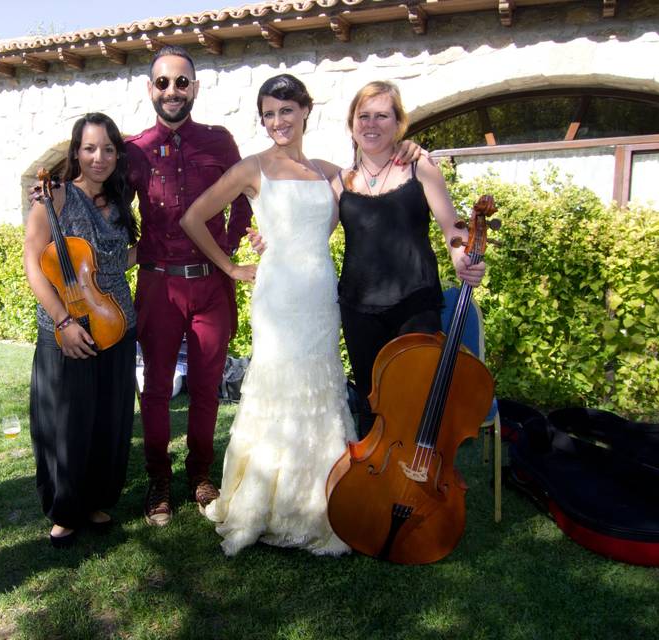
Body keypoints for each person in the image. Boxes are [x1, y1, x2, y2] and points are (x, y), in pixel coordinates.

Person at [180, 74, 357, 556]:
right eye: (268, 114)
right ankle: (267, 502)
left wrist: (410, 156)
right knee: (278, 388)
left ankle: (320, 502)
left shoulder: (330, 172)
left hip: (321, 296)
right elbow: (193, 217)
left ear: (305, 111)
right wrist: (232, 266)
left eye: (286, 110)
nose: (277, 121)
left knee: (320, 388)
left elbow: (376, 193)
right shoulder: (253, 167)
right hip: (277, 297)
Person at [126, 45, 254, 527]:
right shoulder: (134, 150)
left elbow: (243, 201)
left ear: (194, 88)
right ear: (150, 89)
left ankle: (200, 474)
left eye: (182, 82)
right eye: (163, 83)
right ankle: (159, 478)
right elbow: (112, 210)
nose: (173, 91)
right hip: (159, 287)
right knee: (156, 390)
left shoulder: (219, 143)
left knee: (206, 387)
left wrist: (226, 250)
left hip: (210, 288)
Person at [332, 81, 486, 438]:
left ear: (398, 122)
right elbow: (309, 238)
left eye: (382, 116)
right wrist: (270, 246)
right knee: (372, 403)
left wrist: (464, 258)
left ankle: (414, 483)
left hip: (415, 303)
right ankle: (373, 484)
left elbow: (453, 229)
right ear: (352, 123)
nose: (371, 124)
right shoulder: (339, 182)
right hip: (358, 308)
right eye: (364, 116)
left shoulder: (421, 167)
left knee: (416, 399)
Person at [22, 112, 139, 547]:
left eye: (108, 149)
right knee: (66, 420)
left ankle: (96, 498)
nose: (99, 157)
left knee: (109, 418)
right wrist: (63, 321)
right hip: (65, 325)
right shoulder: (53, 198)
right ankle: (65, 508)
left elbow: (113, 261)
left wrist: (154, 249)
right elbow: (34, 263)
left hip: (116, 323)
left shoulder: (119, 200)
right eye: (90, 148)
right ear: (76, 152)